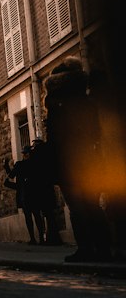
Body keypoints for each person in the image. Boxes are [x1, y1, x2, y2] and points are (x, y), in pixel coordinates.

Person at [43, 59, 113, 262]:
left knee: (77, 207)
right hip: (89, 160)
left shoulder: (57, 105)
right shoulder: (87, 102)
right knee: (93, 205)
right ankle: (103, 249)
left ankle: (86, 249)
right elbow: (95, 133)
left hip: (68, 162)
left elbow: (55, 138)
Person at [3, 145, 42, 244]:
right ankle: (38, 238)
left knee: (31, 217)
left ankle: (35, 238)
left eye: (26, 153)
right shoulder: (35, 164)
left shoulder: (20, 165)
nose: (25, 155)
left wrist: (6, 166)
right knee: (35, 216)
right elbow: (12, 175)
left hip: (26, 194)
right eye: (25, 153)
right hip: (32, 193)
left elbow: (11, 175)